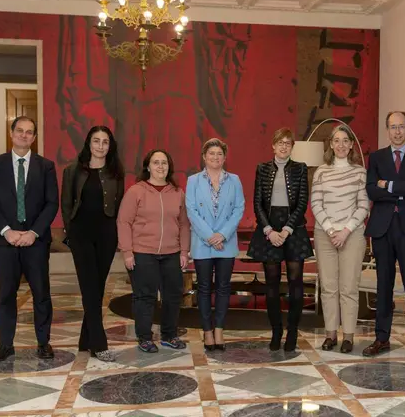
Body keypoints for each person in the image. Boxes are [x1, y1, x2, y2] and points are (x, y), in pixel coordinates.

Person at [0, 116, 58, 362]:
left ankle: (43, 342)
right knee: (6, 294)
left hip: (35, 241)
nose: (24, 135)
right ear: (11, 134)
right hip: (5, 242)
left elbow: (51, 203)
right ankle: (5, 345)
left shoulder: (46, 166)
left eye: (29, 132)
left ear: (34, 137)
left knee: (41, 293)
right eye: (20, 131)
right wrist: (7, 230)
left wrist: (33, 232)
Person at [363, 111, 405, 361]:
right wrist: (404, 186)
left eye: (401, 126)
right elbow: (371, 190)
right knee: (384, 285)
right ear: (387, 129)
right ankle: (381, 338)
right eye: (392, 127)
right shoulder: (377, 157)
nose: (397, 131)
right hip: (383, 227)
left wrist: (388, 185)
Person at [117, 149, 190, 353]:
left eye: (164, 163)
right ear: (148, 166)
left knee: (173, 296)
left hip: (171, 253)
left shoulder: (177, 192)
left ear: (169, 167)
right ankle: (144, 338)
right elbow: (124, 222)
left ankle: (169, 335)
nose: (160, 167)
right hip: (142, 253)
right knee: (145, 297)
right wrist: (127, 252)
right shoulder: (136, 191)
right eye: (156, 163)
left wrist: (184, 251)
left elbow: (184, 224)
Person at [61, 126, 124, 362]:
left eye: (105, 142)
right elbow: (66, 204)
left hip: (107, 234)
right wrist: (70, 231)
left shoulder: (116, 172)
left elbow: (118, 206)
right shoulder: (72, 171)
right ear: (88, 143)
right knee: (89, 286)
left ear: (110, 146)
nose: (100, 146)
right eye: (96, 141)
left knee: (97, 287)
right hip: (81, 234)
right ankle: (99, 343)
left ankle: (85, 339)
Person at [247, 128, 312, 352]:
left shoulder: (300, 169)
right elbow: (257, 203)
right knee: (272, 285)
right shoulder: (262, 169)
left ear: (292, 146)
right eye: (280, 143)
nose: (283, 146)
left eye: (288, 143)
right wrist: (269, 230)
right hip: (269, 229)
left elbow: (303, 202)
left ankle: (292, 331)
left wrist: (286, 230)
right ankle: (276, 331)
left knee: (296, 284)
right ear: (273, 146)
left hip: (293, 229)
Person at [311, 125, 369, 354]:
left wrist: (345, 230)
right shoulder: (321, 172)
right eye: (337, 140)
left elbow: (364, 205)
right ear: (331, 144)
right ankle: (330, 335)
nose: (341, 145)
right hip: (324, 235)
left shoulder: (359, 172)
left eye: (346, 140)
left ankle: (348, 336)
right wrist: (330, 229)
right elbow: (315, 203)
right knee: (328, 287)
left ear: (351, 145)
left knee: (348, 288)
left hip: (352, 235)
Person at [185, 138, 245, 352]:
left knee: (223, 288)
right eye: (211, 153)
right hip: (203, 244)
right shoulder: (193, 181)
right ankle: (207, 331)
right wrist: (210, 236)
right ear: (204, 157)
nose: (215, 157)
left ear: (224, 157)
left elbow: (239, 208)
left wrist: (222, 235)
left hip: (226, 244)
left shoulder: (234, 180)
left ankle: (219, 329)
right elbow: (191, 211)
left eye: (219, 154)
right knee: (203, 288)